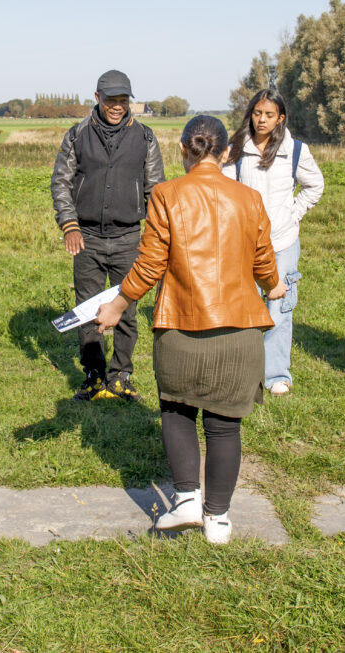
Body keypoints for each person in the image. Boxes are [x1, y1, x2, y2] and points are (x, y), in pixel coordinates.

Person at [95, 116, 285, 544]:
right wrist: (274, 285)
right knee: (225, 427)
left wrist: (117, 306)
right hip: (239, 332)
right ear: (227, 153)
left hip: (181, 327)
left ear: (182, 150)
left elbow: (150, 264)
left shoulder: (166, 194)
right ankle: (218, 519)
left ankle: (185, 499)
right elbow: (263, 261)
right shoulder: (250, 198)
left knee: (177, 412)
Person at [51, 69, 165, 401]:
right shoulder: (77, 135)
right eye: (111, 100)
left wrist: (155, 236)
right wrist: (70, 224)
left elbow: (155, 191)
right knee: (87, 309)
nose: (117, 106)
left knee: (126, 309)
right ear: (97, 97)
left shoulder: (145, 137)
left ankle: (121, 376)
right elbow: (61, 183)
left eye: (123, 100)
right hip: (86, 237)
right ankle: (94, 374)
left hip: (129, 238)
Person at [224, 89, 324, 396]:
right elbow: (224, 189)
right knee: (244, 307)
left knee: (279, 307)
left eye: (269, 115)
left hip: (282, 243)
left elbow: (315, 185)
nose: (262, 120)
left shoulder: (295, 150)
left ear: (281, 118)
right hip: (245, 243)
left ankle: (276, 374)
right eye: (257, 113)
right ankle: (245, 372)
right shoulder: (237, 148)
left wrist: (293, 213)